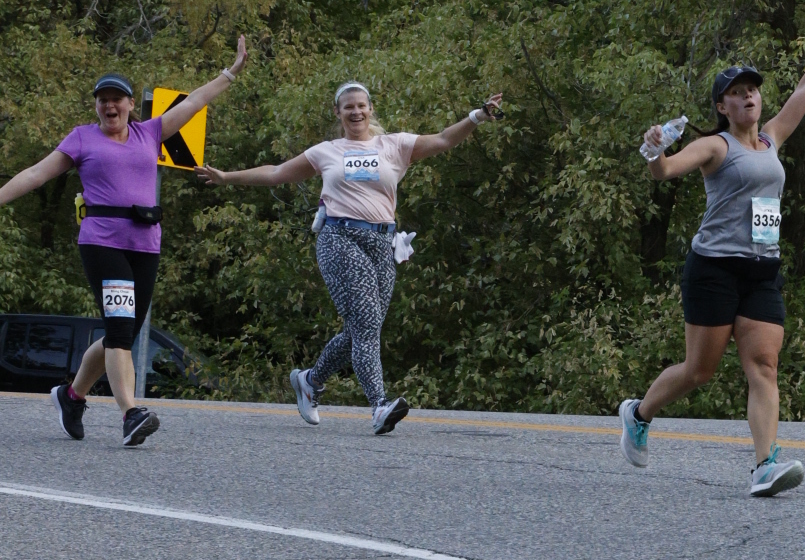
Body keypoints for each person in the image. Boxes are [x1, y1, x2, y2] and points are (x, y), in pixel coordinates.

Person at [620, 0, 805, 497]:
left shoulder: (772, 140)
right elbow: (665, 171)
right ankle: (639, 413)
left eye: (752, 89)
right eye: (736, 92)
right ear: (721, 107)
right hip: (714, 268)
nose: (747, 96)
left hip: (762, 270)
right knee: (699, 371)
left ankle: (764, 466)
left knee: (764, 365)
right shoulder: (716, 147)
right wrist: (654, 150)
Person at [200, 80, 502, 436]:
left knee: (363, 328)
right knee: (367, 323)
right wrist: (226, 177)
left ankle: (310, 381)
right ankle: (379, 405)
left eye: (361, 105)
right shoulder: (326, 151)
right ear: (338, 112)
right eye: (348, 107)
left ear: (370, 109)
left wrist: (478, 116)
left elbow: (443, 139)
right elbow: (277, 173)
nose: (356, 112)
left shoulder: (395, 145)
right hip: (340, 238)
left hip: (383, 243)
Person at [0, 39, 251, 447]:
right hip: (102, 242)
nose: (110, 106)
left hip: (145, 243)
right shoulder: (82, 138)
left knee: (124, 332)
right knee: (119, 328)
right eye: (103, 100)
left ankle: (71, 396)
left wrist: (231, 72)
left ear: (132, 104)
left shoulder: (150, 132)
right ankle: (131, 413)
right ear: (96, 106)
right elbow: (35, 174)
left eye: (117, 99)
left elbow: (195, 102)